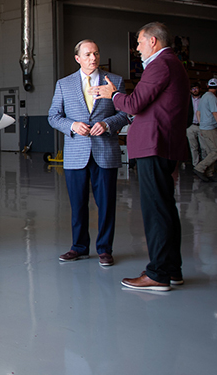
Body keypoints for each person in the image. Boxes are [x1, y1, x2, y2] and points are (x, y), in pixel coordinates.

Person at [92, 22, 189, 292]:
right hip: (165, 145)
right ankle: (172, 269)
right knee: (166, 209)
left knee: (155, 210)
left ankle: (158, 274)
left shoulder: (159, 65)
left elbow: (134, 104)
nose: (137, 48)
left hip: (154, 145)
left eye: (139, 42)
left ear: (154, 42)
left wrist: (114, 95)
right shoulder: (174, 64)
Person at [49, 40, 129, 267]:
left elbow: (124, 115)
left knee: (106, 204)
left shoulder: (115, 81)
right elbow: (53, 116)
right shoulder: (64, 84)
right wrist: (72, 126)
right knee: (78, 205)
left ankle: (105, 250)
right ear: (78, 59)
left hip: (105, 151)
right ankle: (79, 247)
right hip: (76, 153)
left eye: (96, 53)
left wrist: (106, 124)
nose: (93, 58)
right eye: (87, 54)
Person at [193, 77, 217, 180]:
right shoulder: (213, 98)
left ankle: (209, 174)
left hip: (204, 128)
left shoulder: (204, 97)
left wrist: (201, 126)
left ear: (208, 86)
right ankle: (200, 168)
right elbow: (215, 114)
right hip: (210, 129)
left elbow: (198, 113)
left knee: (210, 151)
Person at [186, 83, 203, 167]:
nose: (195, 90)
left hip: (202, 125)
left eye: (196, 88)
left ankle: (203, 165)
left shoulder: (203, 99)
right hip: (191, 125)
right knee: (193, 147)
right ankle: (195, 165)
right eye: (193, 89)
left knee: (204, 147)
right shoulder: (187, 100)